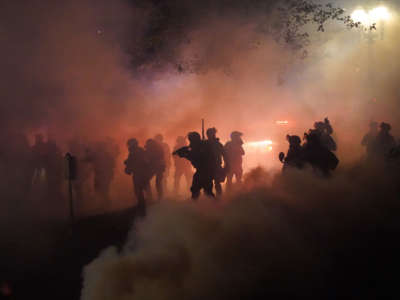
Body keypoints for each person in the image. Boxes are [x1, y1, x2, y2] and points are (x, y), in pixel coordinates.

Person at [173, 132, 214, 199]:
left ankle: (215, 205)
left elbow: (194, 156)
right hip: (203, 171)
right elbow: (186, 150)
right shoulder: (198, 146)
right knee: (198, 190)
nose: (190, 142)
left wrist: (185, 154)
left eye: (191, 140)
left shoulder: (202, 147)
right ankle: (196, 205)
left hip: (205, 171)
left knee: (203, 190)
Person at [124, 138, 152, 216]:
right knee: (146, 188)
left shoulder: (134, 152)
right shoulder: (141, 151)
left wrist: (128, 167)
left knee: (138, 190)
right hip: (143, 173)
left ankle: (142, 207)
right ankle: (150, 204)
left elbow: (132, 162)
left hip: (139, 174)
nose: (129, 146)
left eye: (129, 144)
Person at [205, 127, 226, 196]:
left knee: (217, 183)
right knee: (208, 183)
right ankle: (210, 198)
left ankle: (219, 198)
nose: (209, 135)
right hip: (207, 166)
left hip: (216, 166)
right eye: (209, 134)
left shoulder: (217, 144)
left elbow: (224, 154)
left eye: (211, 134)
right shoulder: (205, 143)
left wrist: (226, 164)